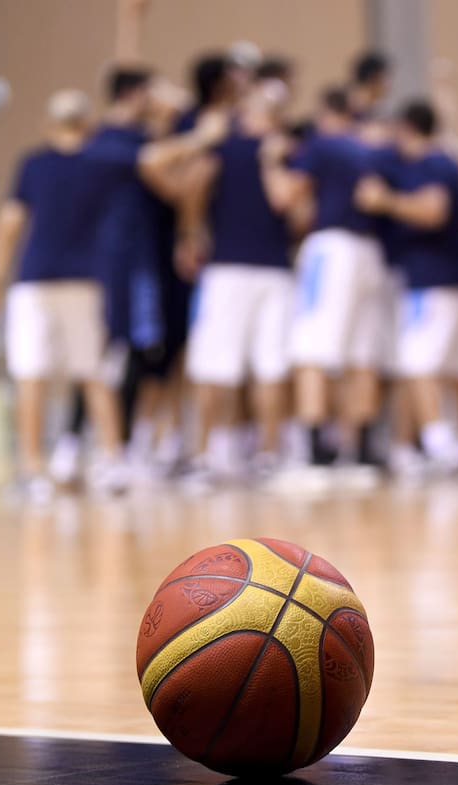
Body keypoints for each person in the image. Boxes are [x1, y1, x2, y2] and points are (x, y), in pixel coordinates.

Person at [0, 90, 225, 500]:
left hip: (34, 282)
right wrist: (203, 137)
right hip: (85, 283)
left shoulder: (34, 164)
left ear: (48, 124)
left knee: (31, 376)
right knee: (92, 373)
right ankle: (112, 461)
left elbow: (9, 223)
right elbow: (156, 158)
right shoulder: (101, 161)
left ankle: (33, 469)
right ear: (88, 125)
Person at [176, 76, 299, 484]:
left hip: (230, 270)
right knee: (269, 366)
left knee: (217, 365)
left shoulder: (226, 147)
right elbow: (297, 210)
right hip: (273, 270)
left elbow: (192, 185)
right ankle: (266, 453)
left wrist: (191, 233)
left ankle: (209, 452)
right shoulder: (285, 150)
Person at [271, 88, 389, 482]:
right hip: (371, 252)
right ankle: (364, 452)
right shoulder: (373, 145)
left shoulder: (321, 144)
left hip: (332, 248)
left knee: (312, 348)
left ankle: (315, 454)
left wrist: (272, 163)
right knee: (362, 352)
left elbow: (288, 195)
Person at [357, 99, 458, 475]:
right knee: (446, 365)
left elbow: (433, 211)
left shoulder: (435, 164)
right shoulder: (434, 163)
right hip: (441, 280)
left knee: (417, 364)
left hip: (431, 280)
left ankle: (442, 445)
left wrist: (385, 201)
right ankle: (445, 443)